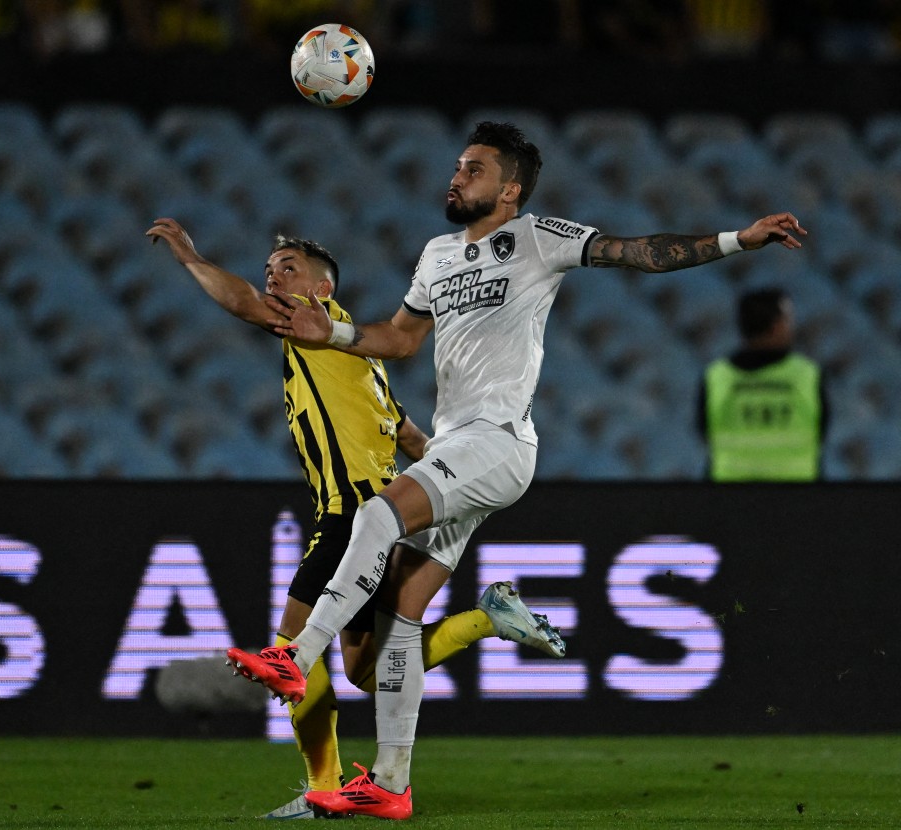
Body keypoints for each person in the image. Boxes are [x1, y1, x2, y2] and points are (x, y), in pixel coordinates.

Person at [226, 121, 806, 820]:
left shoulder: (538, 238)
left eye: (473, 169)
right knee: (401, 618)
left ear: (510, 189)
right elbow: (402, 339)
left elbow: (639, 253)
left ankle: (296, 654)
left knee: (379, 512)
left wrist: (735, 240)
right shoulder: (438, 255)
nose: (456, 177)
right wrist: (340, 334)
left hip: (499, 441)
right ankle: (391, 782)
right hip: (453, 446)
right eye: (458, 166)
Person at [145, 217, 564, 819]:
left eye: (286, 269)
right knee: (369, 670)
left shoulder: (311, 331)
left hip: (351, 513)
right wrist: (466, 482)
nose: (272, 279)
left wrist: (190, 256)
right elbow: (413, 438)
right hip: (374, 511)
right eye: (270, 270)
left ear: (320, 289)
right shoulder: (360, 358)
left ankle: (322, 786)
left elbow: (240, 302)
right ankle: (485, 620)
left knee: (290, 649)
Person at [698, 287, 827, 481]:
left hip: (730, 498)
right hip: (797, 497)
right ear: (776, 326)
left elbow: (704, 432)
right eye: (787, 320)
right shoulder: (807, 376)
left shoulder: (716, 377)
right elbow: (821, 432)